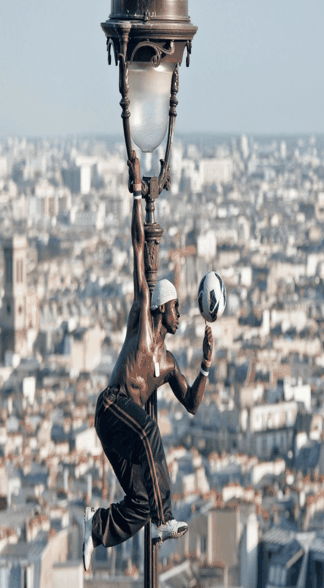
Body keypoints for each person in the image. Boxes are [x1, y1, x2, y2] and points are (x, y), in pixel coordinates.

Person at [83, 151, 213, 571]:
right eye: (177, 310)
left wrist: (207, 366)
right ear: (163, 308)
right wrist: (138, 192)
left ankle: (97, 528)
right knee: (148, 429)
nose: (181, 317)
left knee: (139, 502)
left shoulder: (171, 363)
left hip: (125, 431)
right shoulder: (141, 325)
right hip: (111, 408)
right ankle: (166, 517)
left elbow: (192, 404)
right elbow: (139, 247)